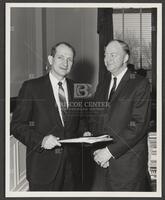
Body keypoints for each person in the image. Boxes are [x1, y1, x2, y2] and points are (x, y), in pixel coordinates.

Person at [11, 42, 87, 191]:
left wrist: (85, 132)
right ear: (51, 60)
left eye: (70, 59)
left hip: (73, 168)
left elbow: (81, 119)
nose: (65, 63)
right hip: (43, 169)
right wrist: (41, 140)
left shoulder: (77, 87)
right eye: (60, 57)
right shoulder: (31, 87)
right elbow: (17, 125)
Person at [88, 39, 151, 191]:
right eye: (105, 55)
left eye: (113, 55)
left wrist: (109, 152)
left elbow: (138, 125)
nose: (107, 59)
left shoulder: (140, 83)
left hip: (128, 166)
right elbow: (95, 117)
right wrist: (93, 140)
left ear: (125, 58)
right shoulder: (103, 84)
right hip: (102, 162)